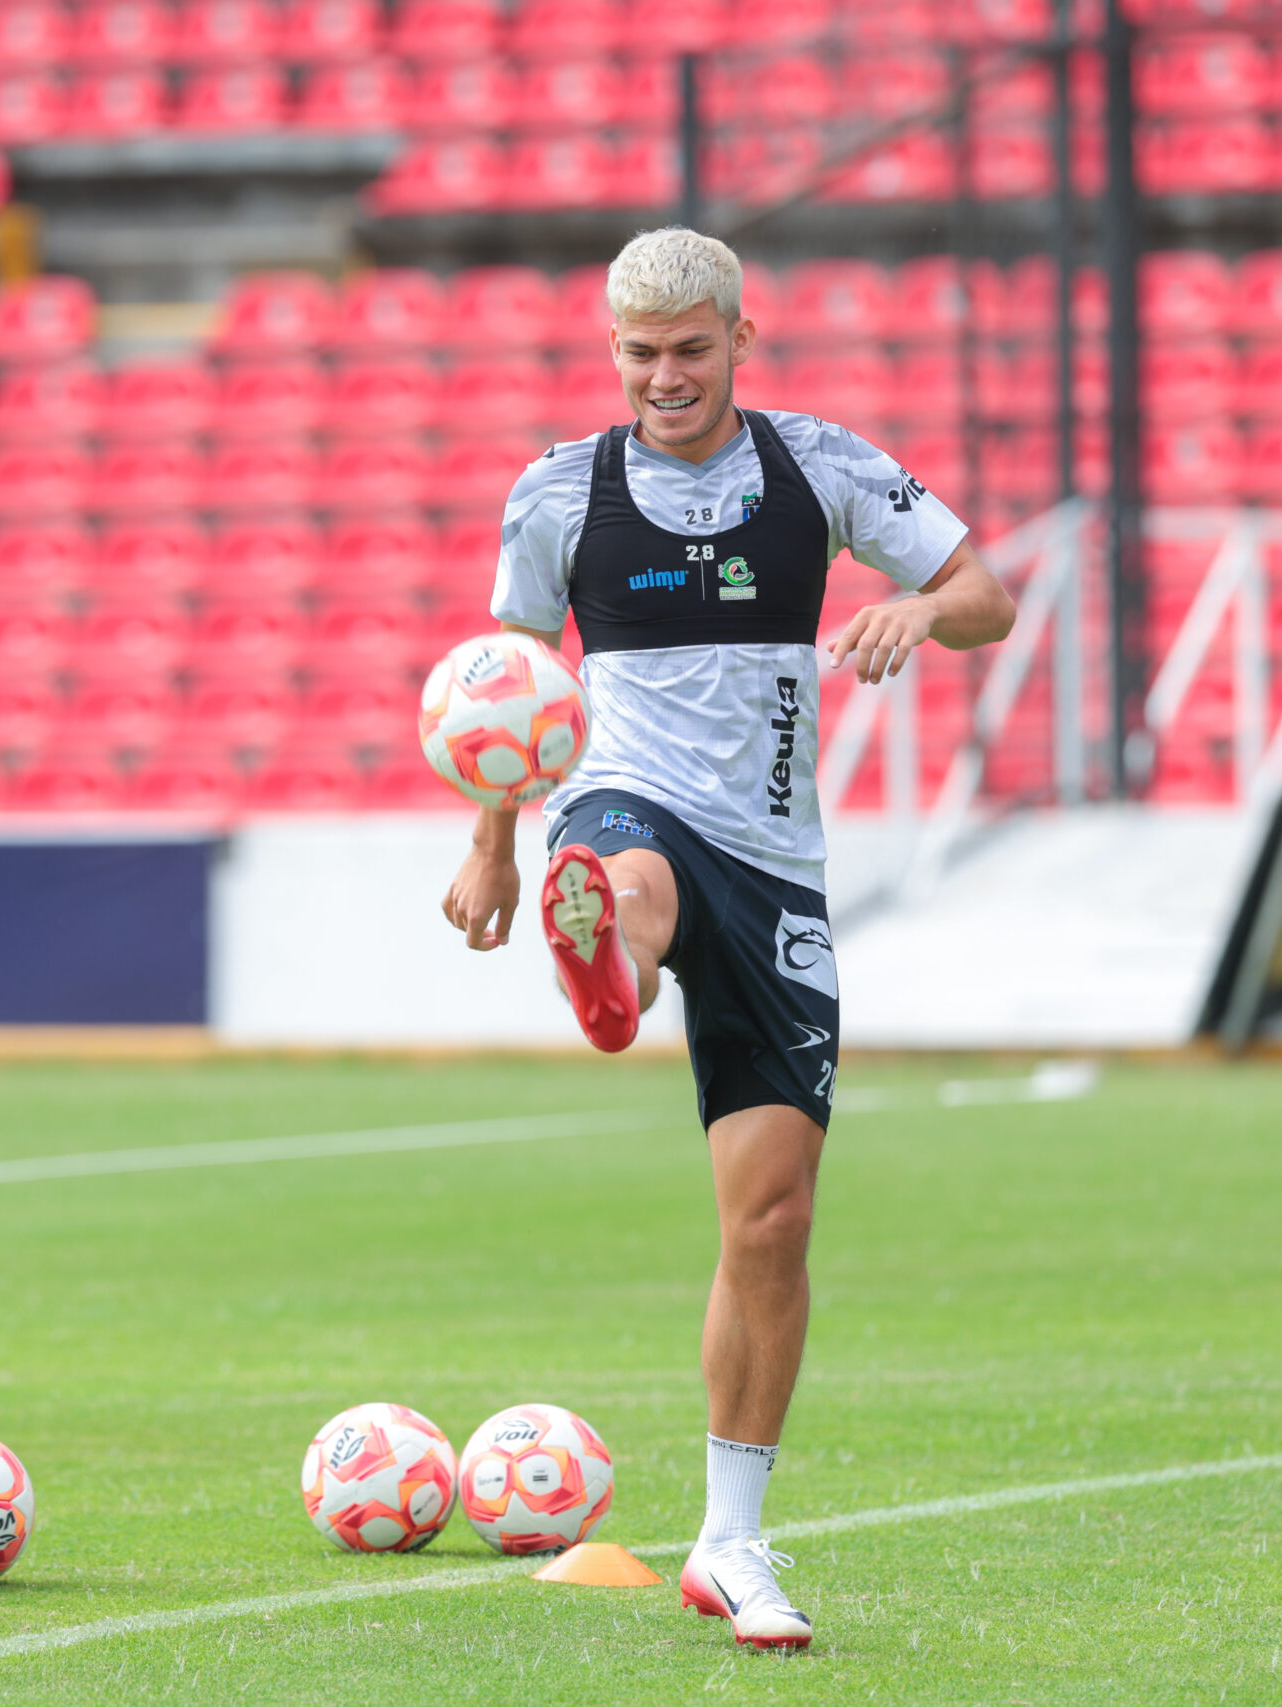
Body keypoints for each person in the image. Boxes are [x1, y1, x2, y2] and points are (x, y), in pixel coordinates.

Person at [440, 228, 1016, 1652]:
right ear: (613, 353)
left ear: (740, 341)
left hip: (777, 869)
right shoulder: (560, 493)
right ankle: (609, 968)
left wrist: (917, 609)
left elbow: (987, 596)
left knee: (771, 1221)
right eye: (640, 355)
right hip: (625, 807)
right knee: (630, 871)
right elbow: (506, 686)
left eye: (692, 350)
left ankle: (729, 1544)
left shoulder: (819, 468)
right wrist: (492, 844)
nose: (665, 378)